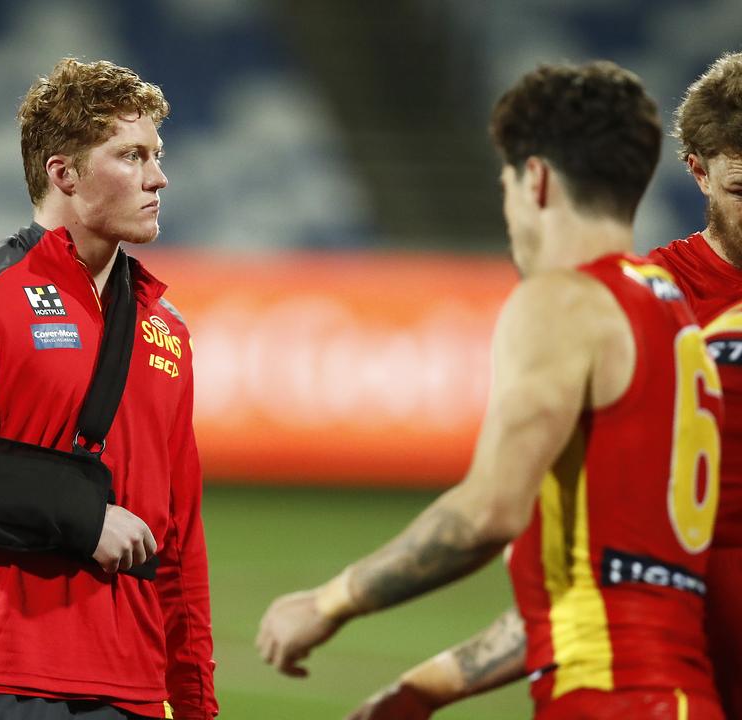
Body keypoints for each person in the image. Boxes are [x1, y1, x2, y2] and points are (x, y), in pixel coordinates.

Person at [256, 61, 726, 719]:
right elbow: (607, 586)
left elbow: (488, 512)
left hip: (610, 699)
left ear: (534, 179)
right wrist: (425, 689)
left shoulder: (563, 302)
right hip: (675, 695)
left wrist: (330, 600)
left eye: (505, 180)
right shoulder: (676, 317)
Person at [0, 58, 217, 719]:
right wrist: (79, 515)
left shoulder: (166, 329)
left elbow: (181, 543)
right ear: (64, 173)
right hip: (12, 676)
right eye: (132, 155)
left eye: (157, 155)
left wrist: (196, 704)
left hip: (144, 694)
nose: (158, 177)